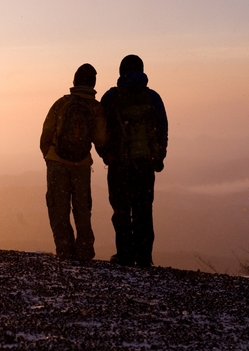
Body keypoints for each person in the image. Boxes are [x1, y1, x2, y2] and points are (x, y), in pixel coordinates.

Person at [99, 55, 167, 268]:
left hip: (119, 165)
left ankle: (125, 255)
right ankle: (144, 257)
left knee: (121, 211)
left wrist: (106, 155)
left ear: (121, 72)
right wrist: (159, 157)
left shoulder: (111, 97)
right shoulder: (152, 97)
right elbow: (162, 129)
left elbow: (101, 131)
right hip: (145, 164)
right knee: (144, 211)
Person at [40, 64, 107, 261]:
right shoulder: (96, 108)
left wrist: (50, 156)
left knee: (58, 209)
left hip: (57, 163)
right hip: (82, 166)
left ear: (74, 81)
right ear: (93, 84)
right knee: (82, 210)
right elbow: (101, 139)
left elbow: (46, 134)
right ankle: (85, 253)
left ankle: (65, 252)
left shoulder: (61, 103)